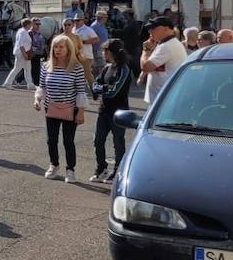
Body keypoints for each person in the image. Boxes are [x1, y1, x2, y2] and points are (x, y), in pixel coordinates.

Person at [35, 35, 89, 182]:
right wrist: (37, 99)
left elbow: (81, 91)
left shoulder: (76, 67)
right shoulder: (46, 66)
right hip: (51, 108)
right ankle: (54, 165)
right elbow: (42, 86)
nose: (57, 50)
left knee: (68, 140)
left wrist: (81, 112)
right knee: (51, 140)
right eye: (55, 47)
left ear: (68, 49)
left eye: (61, 47)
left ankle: (70, 170)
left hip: (70, 110)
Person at [91, 39, 131, 183]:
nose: (103, 53)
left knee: (118, 142)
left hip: (119, 112)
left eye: (106, 50)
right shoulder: (107, 67)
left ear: (113, 52)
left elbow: (114, 91)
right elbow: (95, 84)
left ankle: (118, 171)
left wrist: (103, 89)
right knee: (98, 140)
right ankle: (101, 168)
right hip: (104, 110)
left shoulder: (124, 69)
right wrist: (103, 88)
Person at [140, 17, 186, 104]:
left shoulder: (167, 46)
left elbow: (145, 67)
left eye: (153, 28)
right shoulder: (165, 44)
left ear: (166, 29)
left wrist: (146, 50)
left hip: (164, 99)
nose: (150, 31)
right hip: (163, 97)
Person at [3, 16, 34, 89]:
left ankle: (30, 84)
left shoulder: (22, 31)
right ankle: (8, 83)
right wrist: (25, 54)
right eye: (30, 24)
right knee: (17, 68)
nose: (31, 26)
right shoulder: (23, 32)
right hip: (22, 53)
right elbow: (21, 44)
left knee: (28, 69)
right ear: (28, 25)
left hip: (24, 53)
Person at [29, 18, 47, 86]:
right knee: (35, 69)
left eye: (39, 24)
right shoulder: (30, 33)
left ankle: (18, 79)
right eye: (37, 24)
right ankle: (37, 84)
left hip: (41, 54)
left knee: (37, 69)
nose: (38, 26)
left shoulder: (39, 33)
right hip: (34, 54)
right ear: (32, 24)